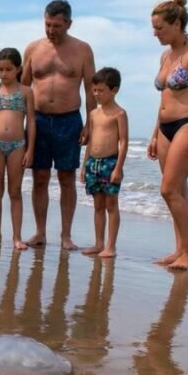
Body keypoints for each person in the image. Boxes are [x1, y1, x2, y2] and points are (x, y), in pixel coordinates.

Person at [22, 0, 96, 250]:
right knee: (39, 177)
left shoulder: (83, 50)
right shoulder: (33, 49)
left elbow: (91, 89)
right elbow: (22, 89)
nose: (51, 30)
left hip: (69, 119)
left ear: (68, 23)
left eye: (56, 25)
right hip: (39, 120)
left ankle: (66, 235)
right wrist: (19, 123)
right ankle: (40, 232)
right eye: (47, 24)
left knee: (67, 177)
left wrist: (90, 124)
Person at [146, 0, 188, 270]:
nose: (155, 33)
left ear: (176, 24)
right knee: (179, 192)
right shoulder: (165, 56)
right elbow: (164, 98)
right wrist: (153, 133)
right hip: (164, 128)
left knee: (168, 190)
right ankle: (180, 250)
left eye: (159, 28)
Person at [0, 48, 36, 250]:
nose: (4, 74)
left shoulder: (26, 92)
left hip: (18, 146)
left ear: (18, 69)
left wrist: (30, 150)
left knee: (15, 191)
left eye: (8, 69)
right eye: (0, 69)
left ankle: (17, 237)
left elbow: (31, 122)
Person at [81, 67, 128, 258]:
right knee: (98, 205)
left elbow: (124, 141)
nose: (97, 94)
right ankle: (98, 243)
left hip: (110, 163)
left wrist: (118, 168)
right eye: (95, 90)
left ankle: (111, 246)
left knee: (111, 205)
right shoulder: (93, 114)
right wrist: (84, 166)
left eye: (101, 90)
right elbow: (91, 140)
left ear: (114, 90)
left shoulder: (119, 113)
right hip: (93, 162)